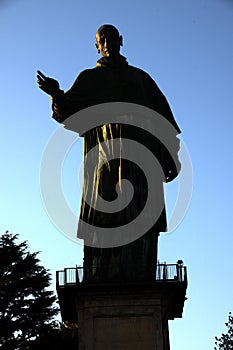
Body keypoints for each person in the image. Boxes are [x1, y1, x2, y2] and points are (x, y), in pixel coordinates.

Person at [37, 24, 181, 282]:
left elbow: (165, 124)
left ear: (121, 40)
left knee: (141, 211)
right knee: (104, 212)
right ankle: (102, 273)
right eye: (102, 39)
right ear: (97, 46)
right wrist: (56, 94)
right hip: (103, 153)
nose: (107, 42)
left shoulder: (141, 79)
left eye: (111, 37)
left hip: (141, 156)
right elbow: (67, 113)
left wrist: (172, 156)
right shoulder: (89, 79)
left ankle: (140, 271)